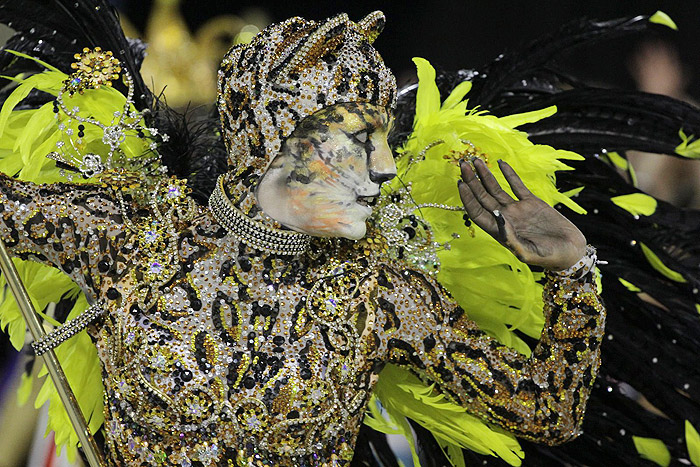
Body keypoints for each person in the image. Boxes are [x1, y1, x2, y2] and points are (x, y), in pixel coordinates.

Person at [0, 10, 604, 466]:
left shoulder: (379, 296)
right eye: (363, 141)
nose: (387, 168)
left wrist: (573, 272)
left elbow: (545, 409)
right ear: (280, 144)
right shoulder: (128, 242)